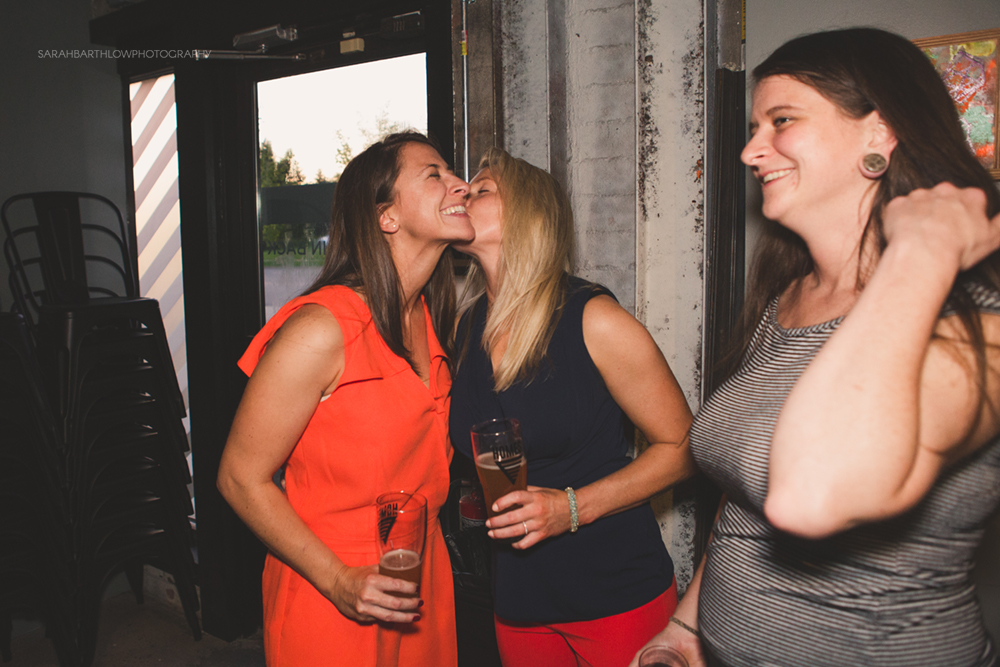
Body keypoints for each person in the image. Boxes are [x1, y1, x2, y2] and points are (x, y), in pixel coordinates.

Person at [631, 27, 1000, 667]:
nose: (751, 151)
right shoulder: (787, 300)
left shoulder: (978, 322)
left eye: (782, 121)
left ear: (879, 132)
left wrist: (922, 248)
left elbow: (809, 495)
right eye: (755, 127)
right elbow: (746, 495)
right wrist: (686, 625)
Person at [217, 132, 473, 667]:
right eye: (435, 174)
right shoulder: (322, 329)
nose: (461, 185)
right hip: (332, 586)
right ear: (387, 217)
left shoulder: (429, 319)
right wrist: (338, 580)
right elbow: (240, 477)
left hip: (421, 574)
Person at [449, 147, 697, 666]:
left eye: (483, 189)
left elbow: (682, 448)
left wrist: (571, 508)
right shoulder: (464, 328)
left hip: (614, 590)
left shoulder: (594, 319)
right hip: (518, 598)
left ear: (528, 215)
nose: (463, 193)